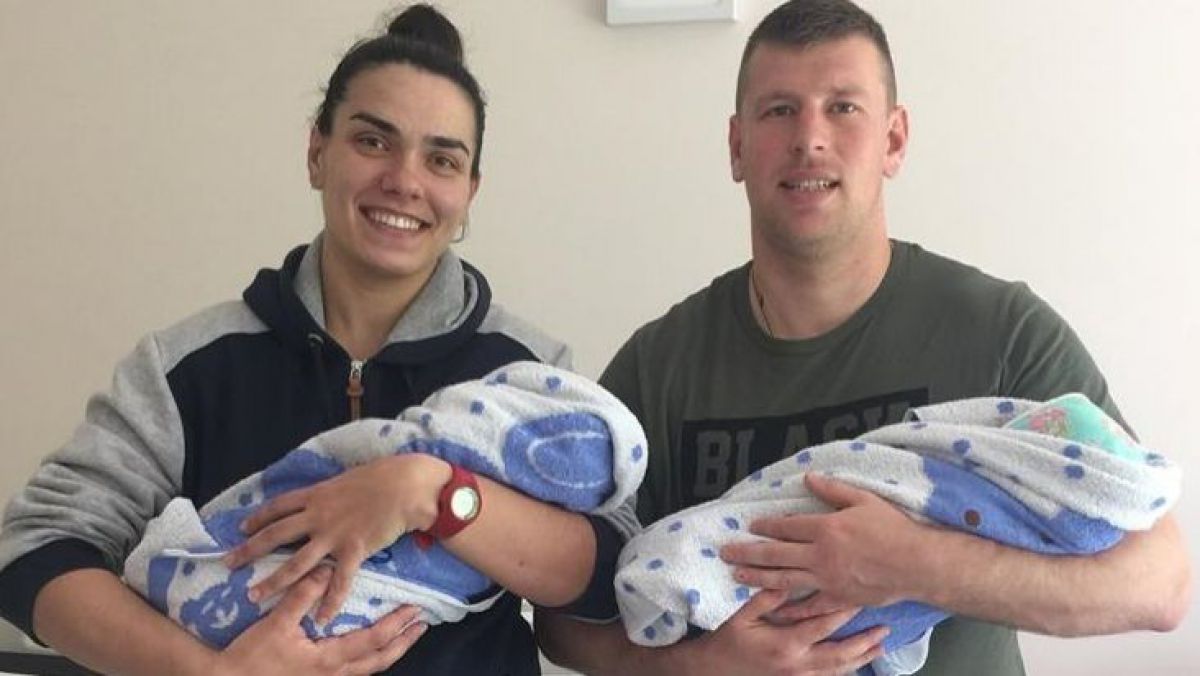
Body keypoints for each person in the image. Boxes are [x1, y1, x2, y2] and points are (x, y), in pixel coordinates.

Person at [534, 1, 1192, 675]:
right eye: (779, 110)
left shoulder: (1004, 333)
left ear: (894, 140)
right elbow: (563, 621)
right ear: (737, 146)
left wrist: (917, 565)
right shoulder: (659, 366)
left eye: (843, 107)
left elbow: (1159, 583)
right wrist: (701, 667)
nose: (809, 138)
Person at [0, 5, 636, 675]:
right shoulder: (188, 366)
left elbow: (603, 580)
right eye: (373, 141)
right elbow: (35, 548)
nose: (405, 181)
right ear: (316, 153)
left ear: (469, 192)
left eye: (442, 159)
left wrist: (430, 492)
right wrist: (211, 673)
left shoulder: (527, 371)